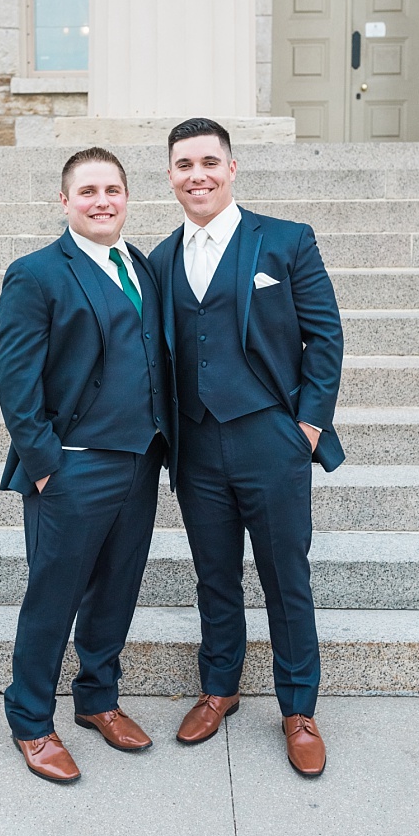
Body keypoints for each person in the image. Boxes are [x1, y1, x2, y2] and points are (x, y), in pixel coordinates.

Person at [148, 117, 344, 778]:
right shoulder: (158, 260)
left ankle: (298, 708)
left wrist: (307, 429)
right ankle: (219, 687)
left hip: (272, 439)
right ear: (171, 176)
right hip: (198, 446)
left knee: (287, 578)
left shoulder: (286, 241)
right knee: (214, 576)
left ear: (231, 169)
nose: (196, 174)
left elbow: (326, 338)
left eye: (208, 162)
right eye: (183, 165)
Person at [0, 147, 170, 783]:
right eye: (88, 190)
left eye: (113, 190)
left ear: (127, 198)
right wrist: (45, 465)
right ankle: (31, 721)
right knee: (54, 596)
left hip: (141, 460)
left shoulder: (142, 266)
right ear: (64, 202)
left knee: (117, 588)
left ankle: (98, 698)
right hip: (70, 466)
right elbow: (14, 378)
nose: (102, 201)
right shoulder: (36, 273)